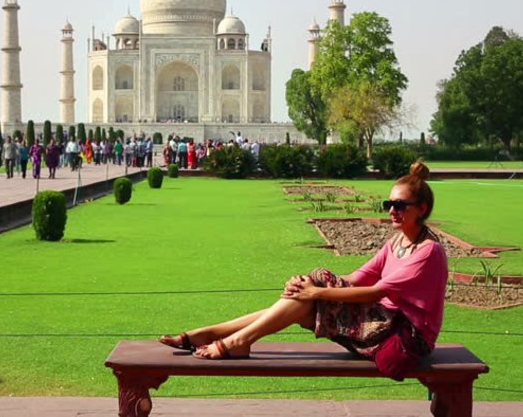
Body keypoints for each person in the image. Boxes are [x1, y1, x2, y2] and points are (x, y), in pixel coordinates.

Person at [158, 161, 445, 381]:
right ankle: (222, 337)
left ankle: (228, 339)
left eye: (399, 205)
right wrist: (308, 286)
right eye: (388, 204)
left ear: (421, 208)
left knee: (312, 291)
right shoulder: (397, 242)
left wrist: (316, 290)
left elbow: (378, 290)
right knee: (308, 291)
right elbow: (356, 279)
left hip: (404, 335)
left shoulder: (426, 251)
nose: (392, 211)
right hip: (381, 321)